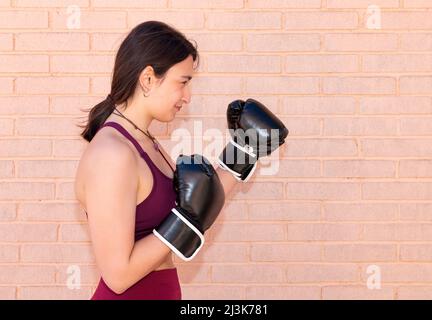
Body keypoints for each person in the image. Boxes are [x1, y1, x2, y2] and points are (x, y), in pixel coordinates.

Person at [75, 20, 288, 300]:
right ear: (148, 78)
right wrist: (186, 220)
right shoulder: (112, 154)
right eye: (183, 82)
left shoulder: (146, 143)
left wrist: (245, 151)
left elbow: (199, 203)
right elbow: (118, 276)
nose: (187, 97)